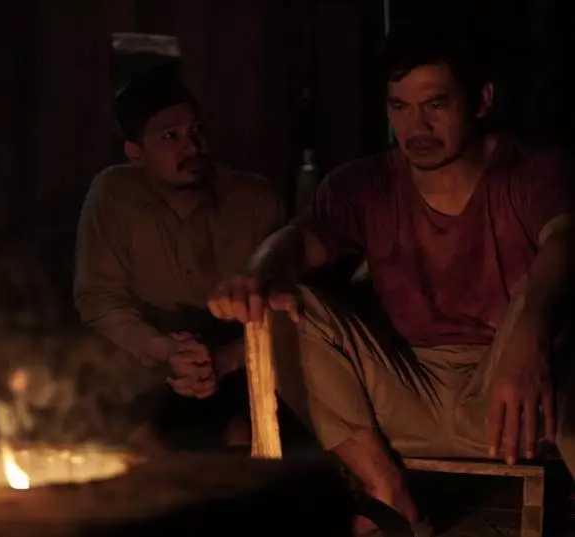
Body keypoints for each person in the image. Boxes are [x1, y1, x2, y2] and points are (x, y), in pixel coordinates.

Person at [207, 23, 575, 533]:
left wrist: (530, 333)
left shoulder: (533, 171)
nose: (416, 126)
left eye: (435, 105)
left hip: (512, 395)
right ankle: (387, 491)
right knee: (285, 304)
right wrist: (256, 274)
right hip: (404, 395)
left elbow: (564, 238)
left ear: (481, 101)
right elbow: (300, 240)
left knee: (550, 302)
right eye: (400, 107)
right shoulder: (366, 183)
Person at [74, 64, 286, 452]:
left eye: (196, 131)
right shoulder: (113, 194)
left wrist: (227, 359)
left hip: (240, 354)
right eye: (170, 136)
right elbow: (99, 299)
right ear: (136, 153)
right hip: (152, 352)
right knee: (134, 436)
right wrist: (164, 349)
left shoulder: (255, 200)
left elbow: (288, 307)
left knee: (246, 436)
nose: (192, 147)